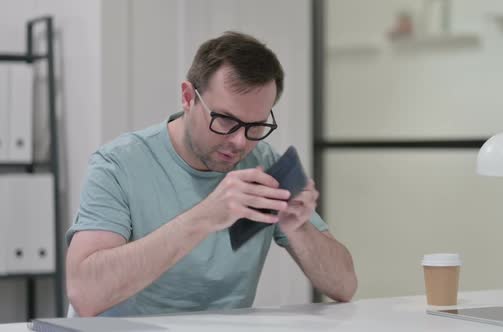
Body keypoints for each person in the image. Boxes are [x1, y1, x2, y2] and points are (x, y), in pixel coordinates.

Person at [65, 31, 357, 317]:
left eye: (256, 126)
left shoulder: (264, 163)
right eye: (226, 120)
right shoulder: (118, 164)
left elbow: (345, 286)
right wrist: (206, 216)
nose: (240, 142)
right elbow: (85, 295)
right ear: (187, 97)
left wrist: (299, 227)